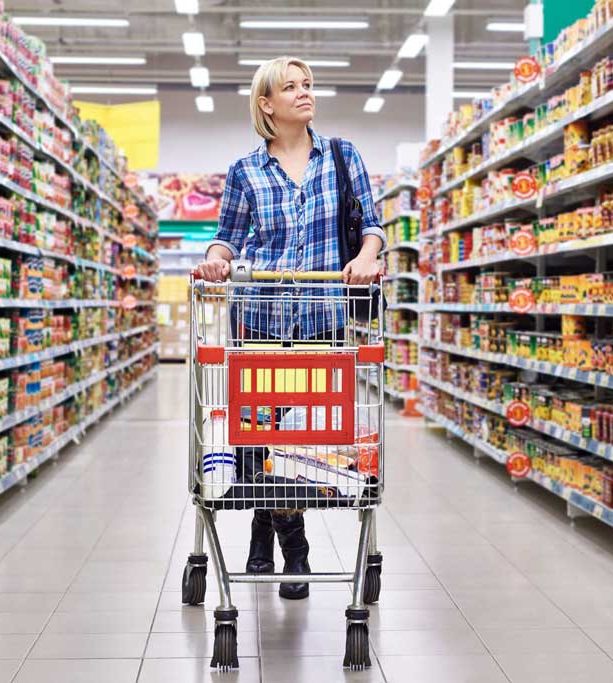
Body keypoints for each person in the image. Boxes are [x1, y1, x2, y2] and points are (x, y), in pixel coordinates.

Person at [193, 56, 384, 599]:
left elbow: (372, 225)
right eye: (290, 87)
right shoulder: (244, 171)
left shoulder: (343, 158)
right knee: (258, 444)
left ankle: (271, 531)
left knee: (301, 444)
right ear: (266, 103)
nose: (304, 93)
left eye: (308, 85)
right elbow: (227, 238)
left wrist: (369, 256)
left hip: (323, 329)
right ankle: (290, 537)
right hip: (258, 325)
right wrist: (213, 260)